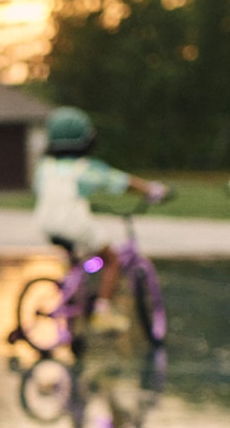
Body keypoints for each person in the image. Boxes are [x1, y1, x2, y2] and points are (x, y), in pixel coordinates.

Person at [34, 106, 168, 333]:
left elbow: (42, 190)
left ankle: (71, 311)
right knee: (112, 259)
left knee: (78, 264)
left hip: (46, 222)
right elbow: (119, 181)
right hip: (73, 222)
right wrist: (151, 190)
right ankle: (102, 311)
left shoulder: (44, 167)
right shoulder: (84, 168)